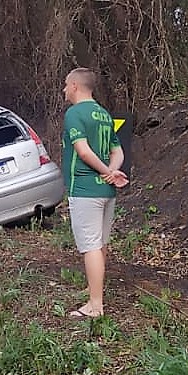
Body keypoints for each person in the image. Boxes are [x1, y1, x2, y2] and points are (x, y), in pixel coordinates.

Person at [61, 67, 129, 319]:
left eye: (66, 85)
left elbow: (84, 151)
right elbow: (117, 151)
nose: (64, 90)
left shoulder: (74, 114)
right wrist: (111, 172)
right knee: (100, 243)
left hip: (85, 188)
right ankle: (94, 288)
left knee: (89, 245)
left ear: (76, 86)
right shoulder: (104, 114)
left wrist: (105, 171)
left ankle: (95, 306)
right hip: (106, 191)